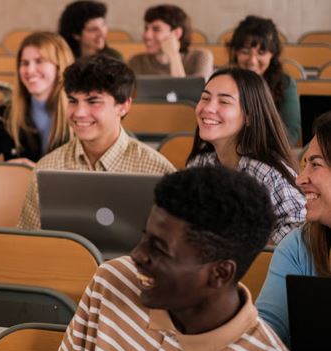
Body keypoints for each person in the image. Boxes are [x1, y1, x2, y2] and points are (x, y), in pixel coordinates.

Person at [15, 166, 309, 351]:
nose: (137, 255)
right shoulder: (112, 281)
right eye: (144, 237)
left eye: (158, 249)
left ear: (219, 273)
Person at [17, 55, 175, 230]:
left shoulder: (157, 171)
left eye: (93, 102)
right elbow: (31, 238)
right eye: (73, 101)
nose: (79, 113)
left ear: (123, 106)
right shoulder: (47, 169)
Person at [186, 68, 304, 244]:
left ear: (249, 116)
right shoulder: (200, 164)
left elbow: (300, 240)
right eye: (205, 98)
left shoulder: (268, 175)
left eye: (224, 101)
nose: (208, 108)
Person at [257, 111, 331, 345]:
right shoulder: (298, 246)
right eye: (305, 164)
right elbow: (266, 339)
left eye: (315, 164)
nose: (300, 180)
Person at [0, 32, 74, 165]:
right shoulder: (4, 115)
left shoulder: (81, 114)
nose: (30, 70)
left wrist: (36, 170)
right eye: (24, 63)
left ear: (60, 66)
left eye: (39, 61)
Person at [227, 16, 301, 145]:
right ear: (236, 52)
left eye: (261, 52)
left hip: (269, 151)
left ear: (273, 54)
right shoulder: (224, 81)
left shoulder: (285, 83)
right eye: (245, 51)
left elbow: (291, 134)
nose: (252, 61)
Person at [127, 4, 213, 78]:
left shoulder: (200, 58)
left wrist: (173, 55)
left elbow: (185, 90)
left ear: (176, 33)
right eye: (146, 28)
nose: (147, 35)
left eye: (156, 29)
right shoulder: (136, 62)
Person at [57, 1, 123, 60]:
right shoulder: (64, 59)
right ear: (76, 34)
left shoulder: (114, 58)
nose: (102, 34)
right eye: (93, 29)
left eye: (103, 25)